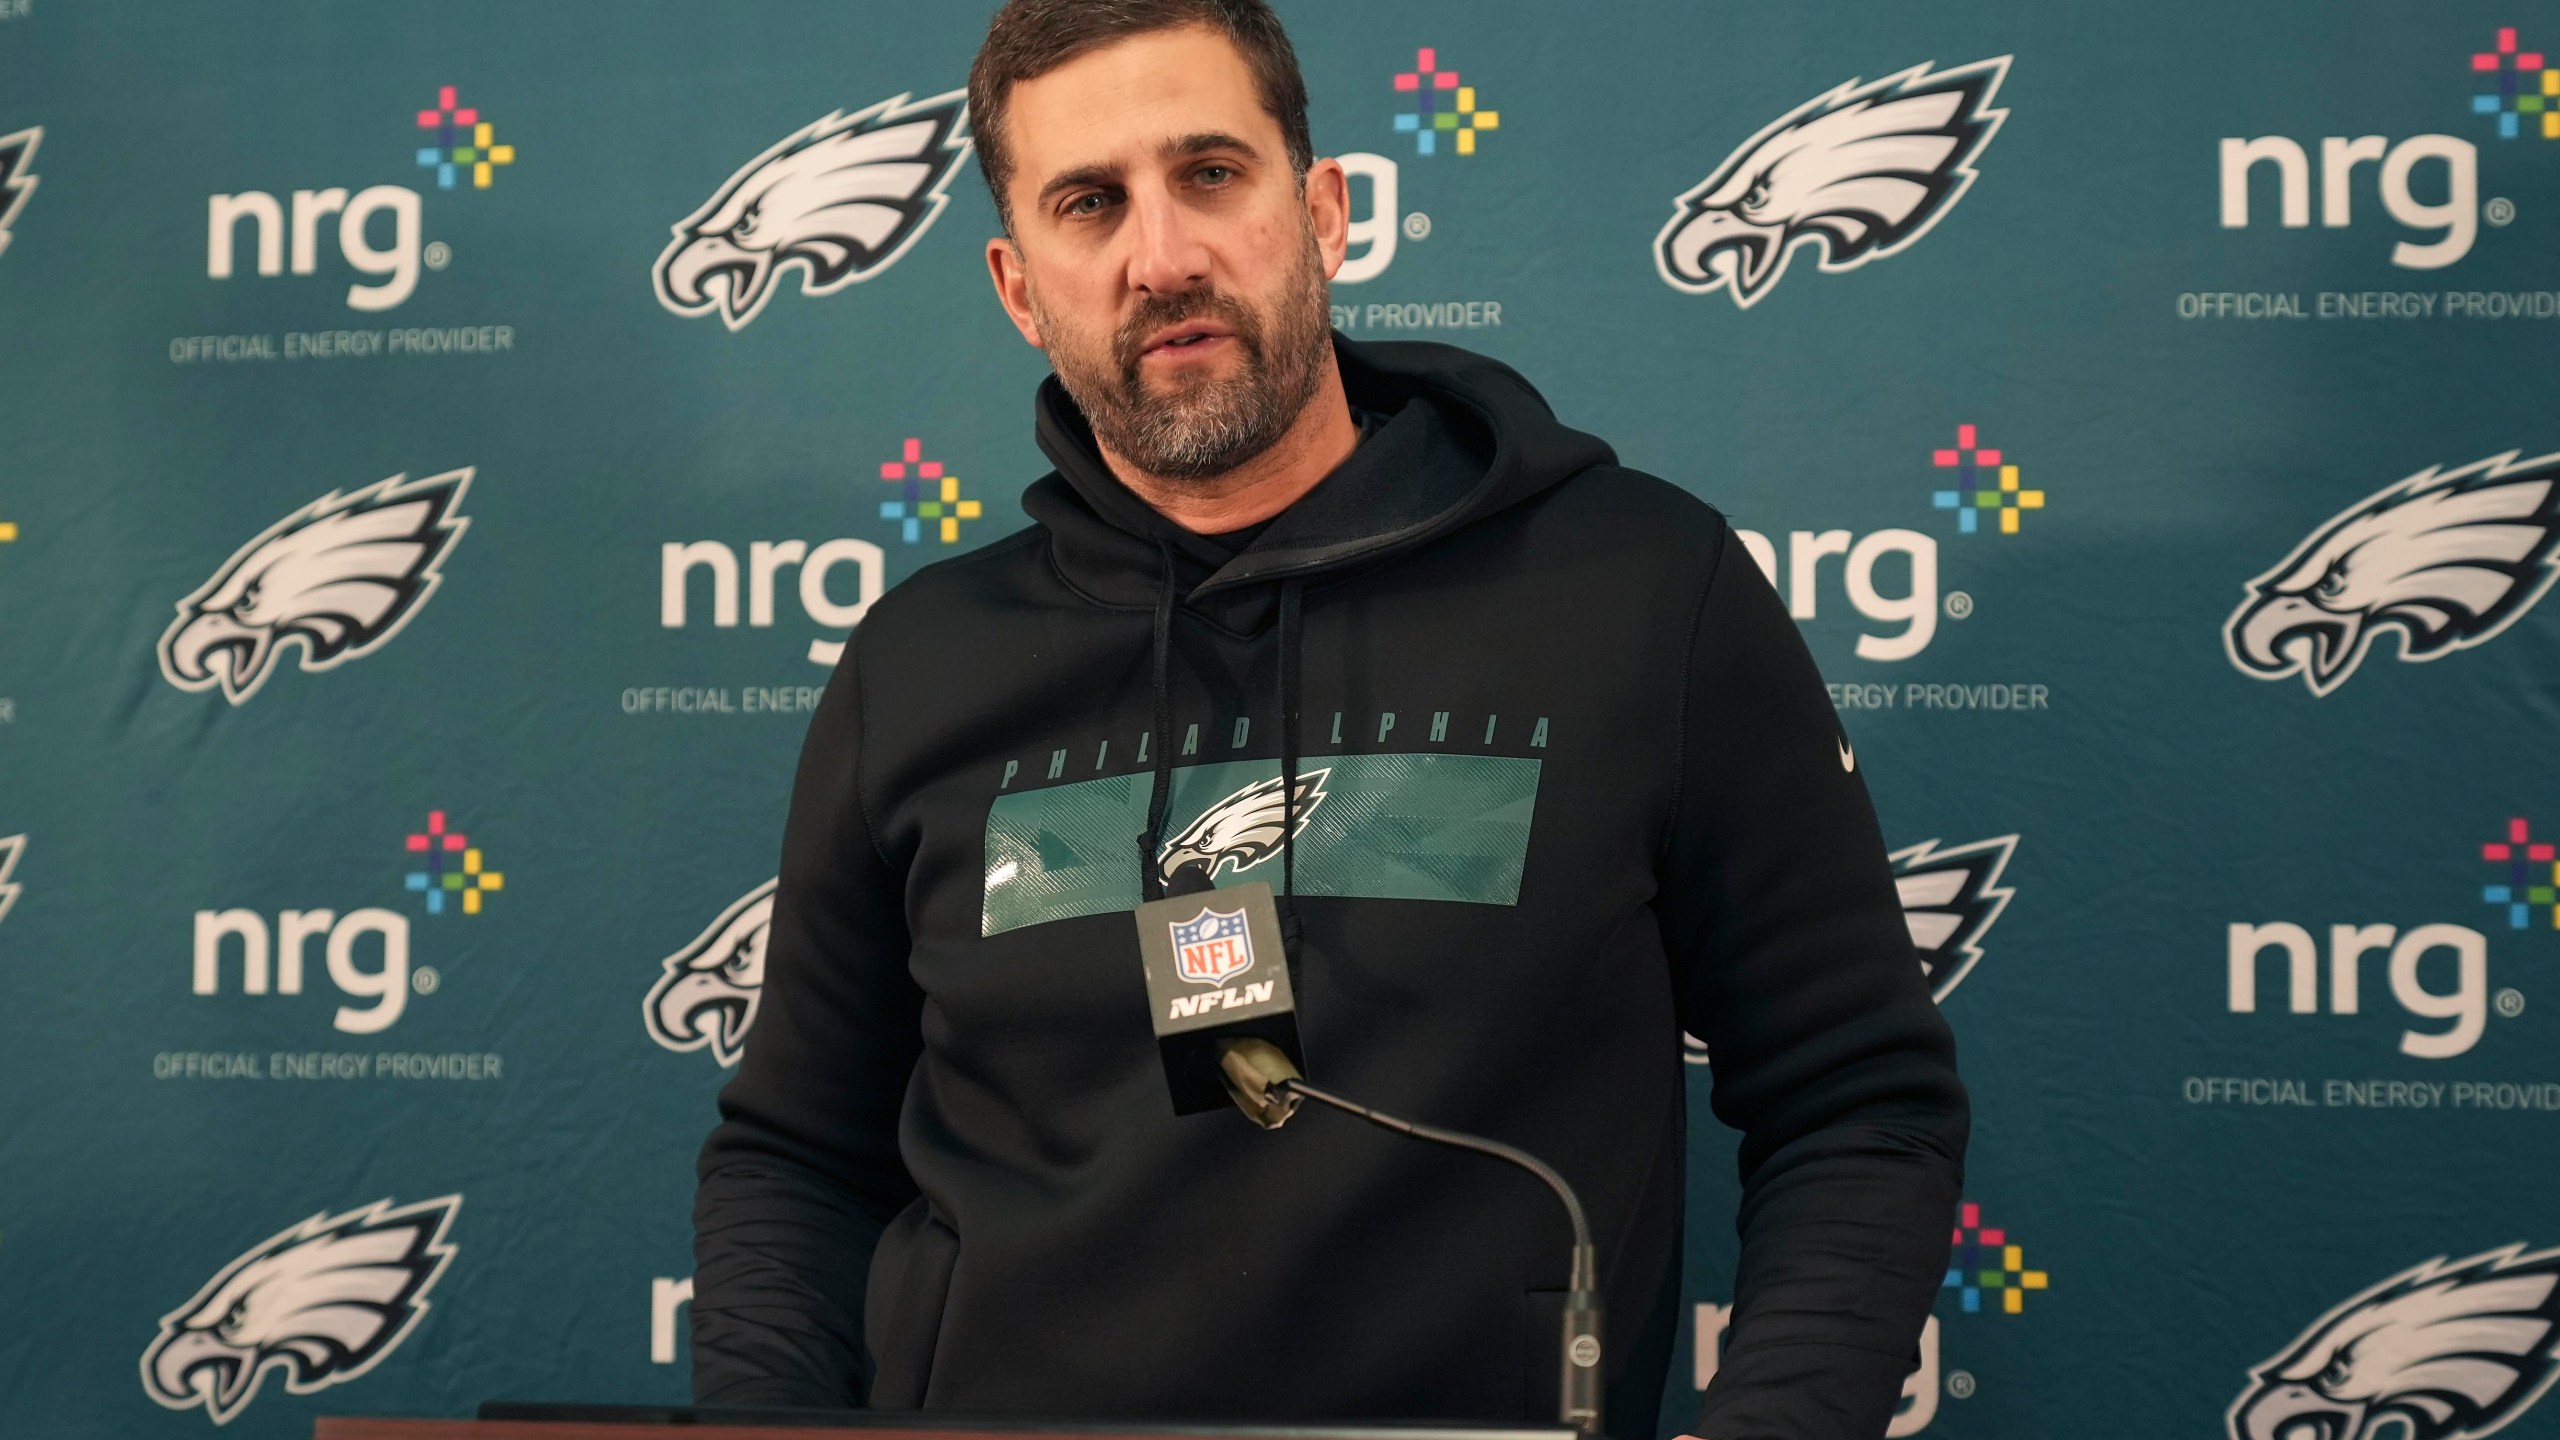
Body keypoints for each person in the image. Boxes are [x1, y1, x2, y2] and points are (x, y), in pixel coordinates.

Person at [690, 2, 1967, 1436]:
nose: (1161, 256)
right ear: (1018, 286)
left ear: (1326, 212)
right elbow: (795, 1157)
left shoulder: (1643, 595)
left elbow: (1860, 1103)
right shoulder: (920, 661)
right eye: (1090, 203)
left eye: (1212, 175)